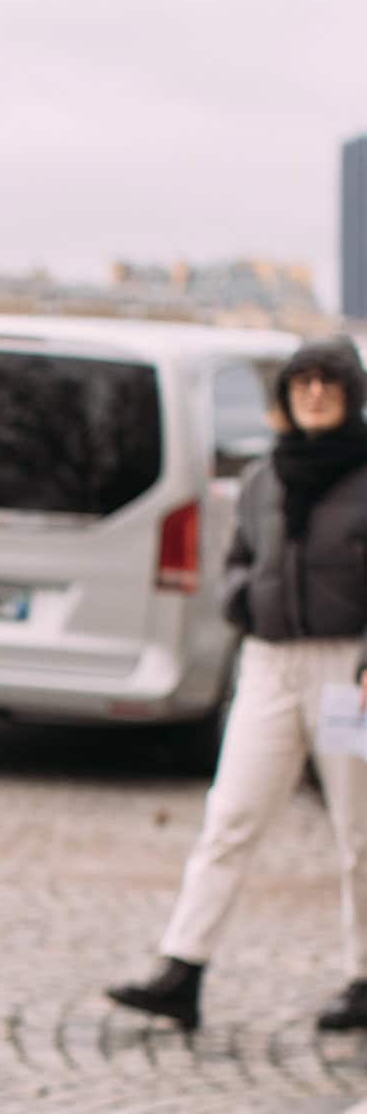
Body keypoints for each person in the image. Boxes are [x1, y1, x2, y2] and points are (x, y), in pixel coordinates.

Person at [109, 336, 367, 1033]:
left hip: (349, 668)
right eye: (301, 381)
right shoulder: (265, 476)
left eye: (328, 382)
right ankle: (181, 967)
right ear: (284, 395)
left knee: (359, 830)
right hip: (268, 660)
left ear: (349, 393)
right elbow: (239, 556)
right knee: (229, 816)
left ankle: (364, 975)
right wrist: (241, 601)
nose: (314, 392)